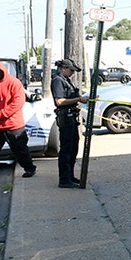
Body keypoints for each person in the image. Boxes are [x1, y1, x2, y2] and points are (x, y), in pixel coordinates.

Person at [51, 58, 89, 189]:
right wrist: (78, 99)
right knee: (66, 150)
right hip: (65, 118)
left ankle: (70, 175)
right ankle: (64, 179)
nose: (73, 72)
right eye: (71, 70)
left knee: (73, 148)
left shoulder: (66, 80)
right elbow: (59, 101)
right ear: (63, 68)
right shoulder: (57, 81)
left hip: (72, 117)